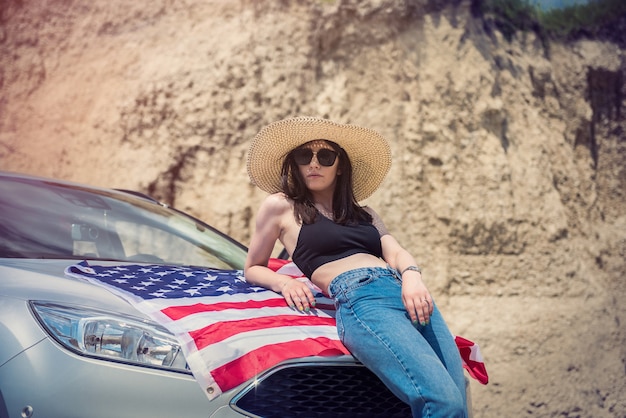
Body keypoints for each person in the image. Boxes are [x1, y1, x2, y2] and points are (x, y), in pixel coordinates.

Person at [244, 116, 467, 417]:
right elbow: (252, 267)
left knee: (458, 402)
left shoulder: (365, 214)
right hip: (362, 300)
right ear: (293, 164)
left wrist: (413, 277)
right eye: (303, 156)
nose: (314, 164)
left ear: (340, 165)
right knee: (443, 404)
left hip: (410, 295)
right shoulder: (281, 206)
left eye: (325, 156)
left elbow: (396, 251)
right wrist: (285, 283)